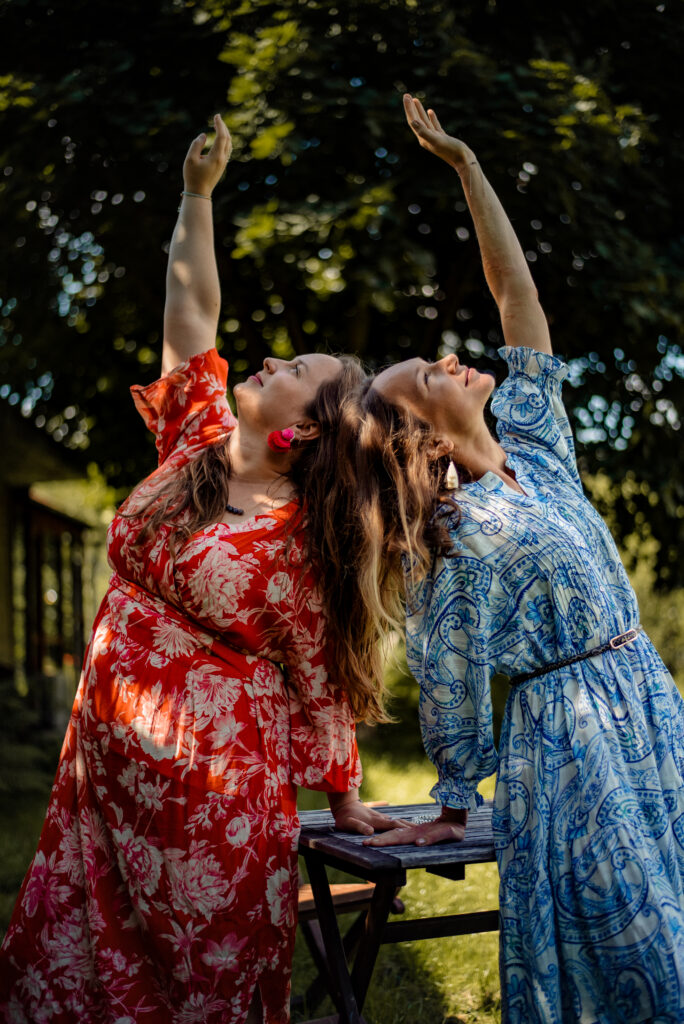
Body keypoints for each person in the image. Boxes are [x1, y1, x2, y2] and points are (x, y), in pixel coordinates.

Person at [0, 115, 403, 1024]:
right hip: (104, 771)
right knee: (73, 966)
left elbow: (320, 671)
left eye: (294, 367)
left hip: (207, 798)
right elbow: (192, 313)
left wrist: (343, 802)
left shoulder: (303, 543)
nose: (268, 358)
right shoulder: (198, 443)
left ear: (301, 429)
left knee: (193, 984)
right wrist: (197, 196)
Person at [355, 94, 684, 1021]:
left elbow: (518, 297)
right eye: (428, 377)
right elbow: (449, 674)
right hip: (572, 743)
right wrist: (455, 798)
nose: (450, 361)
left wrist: (466, 166)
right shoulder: (449, 537)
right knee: (646, 958)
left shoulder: (536, 447)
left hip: (650, 704)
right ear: (424, 439)